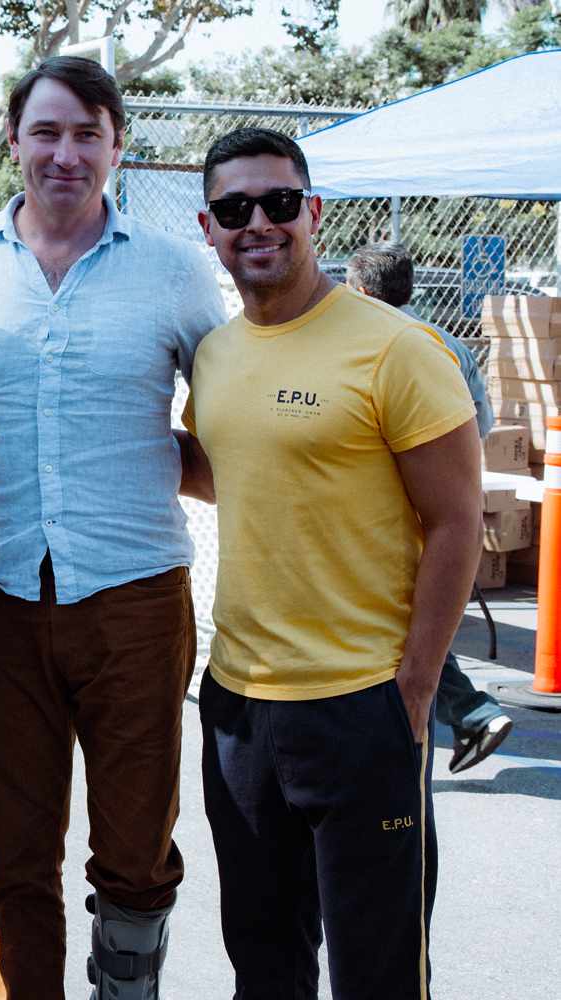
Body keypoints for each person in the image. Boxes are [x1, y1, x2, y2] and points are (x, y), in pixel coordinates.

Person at [0, 56, 225, 998]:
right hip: (1, 598)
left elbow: (229, 424)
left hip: (134, 596)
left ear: (118, 147)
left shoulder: (174, 271)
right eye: (46, 132)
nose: (65, 154)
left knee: (136, 849)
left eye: (88, 134)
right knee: (15, 857)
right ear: (12, 141)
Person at [183, 128, 480, 998]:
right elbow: (226, 471)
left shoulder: (396, 349)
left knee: (377, 974)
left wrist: (418, 686)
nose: (258, 223)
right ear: (210, 228)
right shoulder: (216, 353)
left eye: (279, 203)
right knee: (265, 966)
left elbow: (457, 521)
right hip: (237, 705)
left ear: (312, 213)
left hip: (361, 704)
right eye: (235, 209)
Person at [347, 240, 515, 774]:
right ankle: (469, 713)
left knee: (398, 624)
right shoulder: (450, 346)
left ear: (362, 290)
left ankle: (468, 712)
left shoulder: (371, 345)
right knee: (415, 621)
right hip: (450, 506)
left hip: (394, 517)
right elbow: (480, 427)